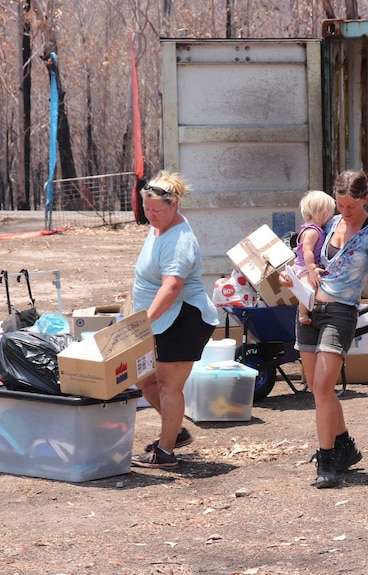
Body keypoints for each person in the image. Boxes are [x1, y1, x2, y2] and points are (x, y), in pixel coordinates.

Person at [282, 169, 368, 488]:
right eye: (340, 206)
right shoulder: (329, 223)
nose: (345, 213)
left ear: (365, 199)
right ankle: (345, 447)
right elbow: (311, 259)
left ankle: (327, 458)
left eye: (351, 207)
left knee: (323, 385)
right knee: (318, 389)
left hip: (341, 312)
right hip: (310, 306)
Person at [130, 170, 219, 469]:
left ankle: (165, 452)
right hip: (160, 320)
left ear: (175, 204)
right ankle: (175, 432)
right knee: (144, 379)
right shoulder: (159, 226)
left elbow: (172, 286)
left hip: (184, 319)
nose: (151, 215)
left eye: (157, 210)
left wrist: (145, 320)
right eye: (146, 209)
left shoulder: (179, 240)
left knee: (169, 385)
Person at [293, 190, 336, 326]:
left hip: (308, 266)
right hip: (305, 268)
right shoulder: (312, 231)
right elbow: (307, 251)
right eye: (330, 213)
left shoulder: (315, 229)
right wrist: (311, 269)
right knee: (309, 289)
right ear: (323, 212)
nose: (331, 217)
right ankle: (303, 314)